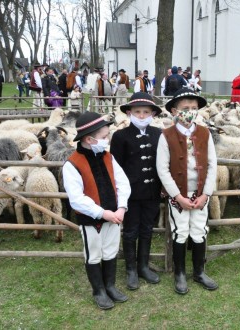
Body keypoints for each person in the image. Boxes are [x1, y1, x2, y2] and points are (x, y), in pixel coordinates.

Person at [62, 112, 131, 310]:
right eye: (104, 137)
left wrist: (121, 207)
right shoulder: (72, 164)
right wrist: (102, 213)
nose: (107, 140)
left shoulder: (108, 157)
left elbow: (122, 182)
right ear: (89, 139)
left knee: (110, 250)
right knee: (93, 254)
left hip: (114, 216)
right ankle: (98, 290)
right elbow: (77, 199)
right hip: (91, 219)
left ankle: (110, 286)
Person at [156, 88, 218, 295]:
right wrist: (177, 196)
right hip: (179, 194)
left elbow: (212, 165)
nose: (189, 112)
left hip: (200, 193)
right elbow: (162, 169)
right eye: (185, 108)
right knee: (180, 231)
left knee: (199, 230)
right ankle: (180, 273)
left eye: (193, 108)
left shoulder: (204, 133)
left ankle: (199, 271)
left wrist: (206, 194)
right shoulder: (166, 136)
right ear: (174, 110)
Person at [110, 92, 163, 290]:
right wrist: (119, 194)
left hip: (151, 192)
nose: (141, 116)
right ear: (130, 113)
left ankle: (143, 266)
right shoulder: (120, 136)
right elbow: (116, 167)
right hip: (130, 194)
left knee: (147, 229)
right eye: (138, 111)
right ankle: (131, 269)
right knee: (131, 231)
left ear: (152, 114)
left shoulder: (158, 134)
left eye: (146, 112)